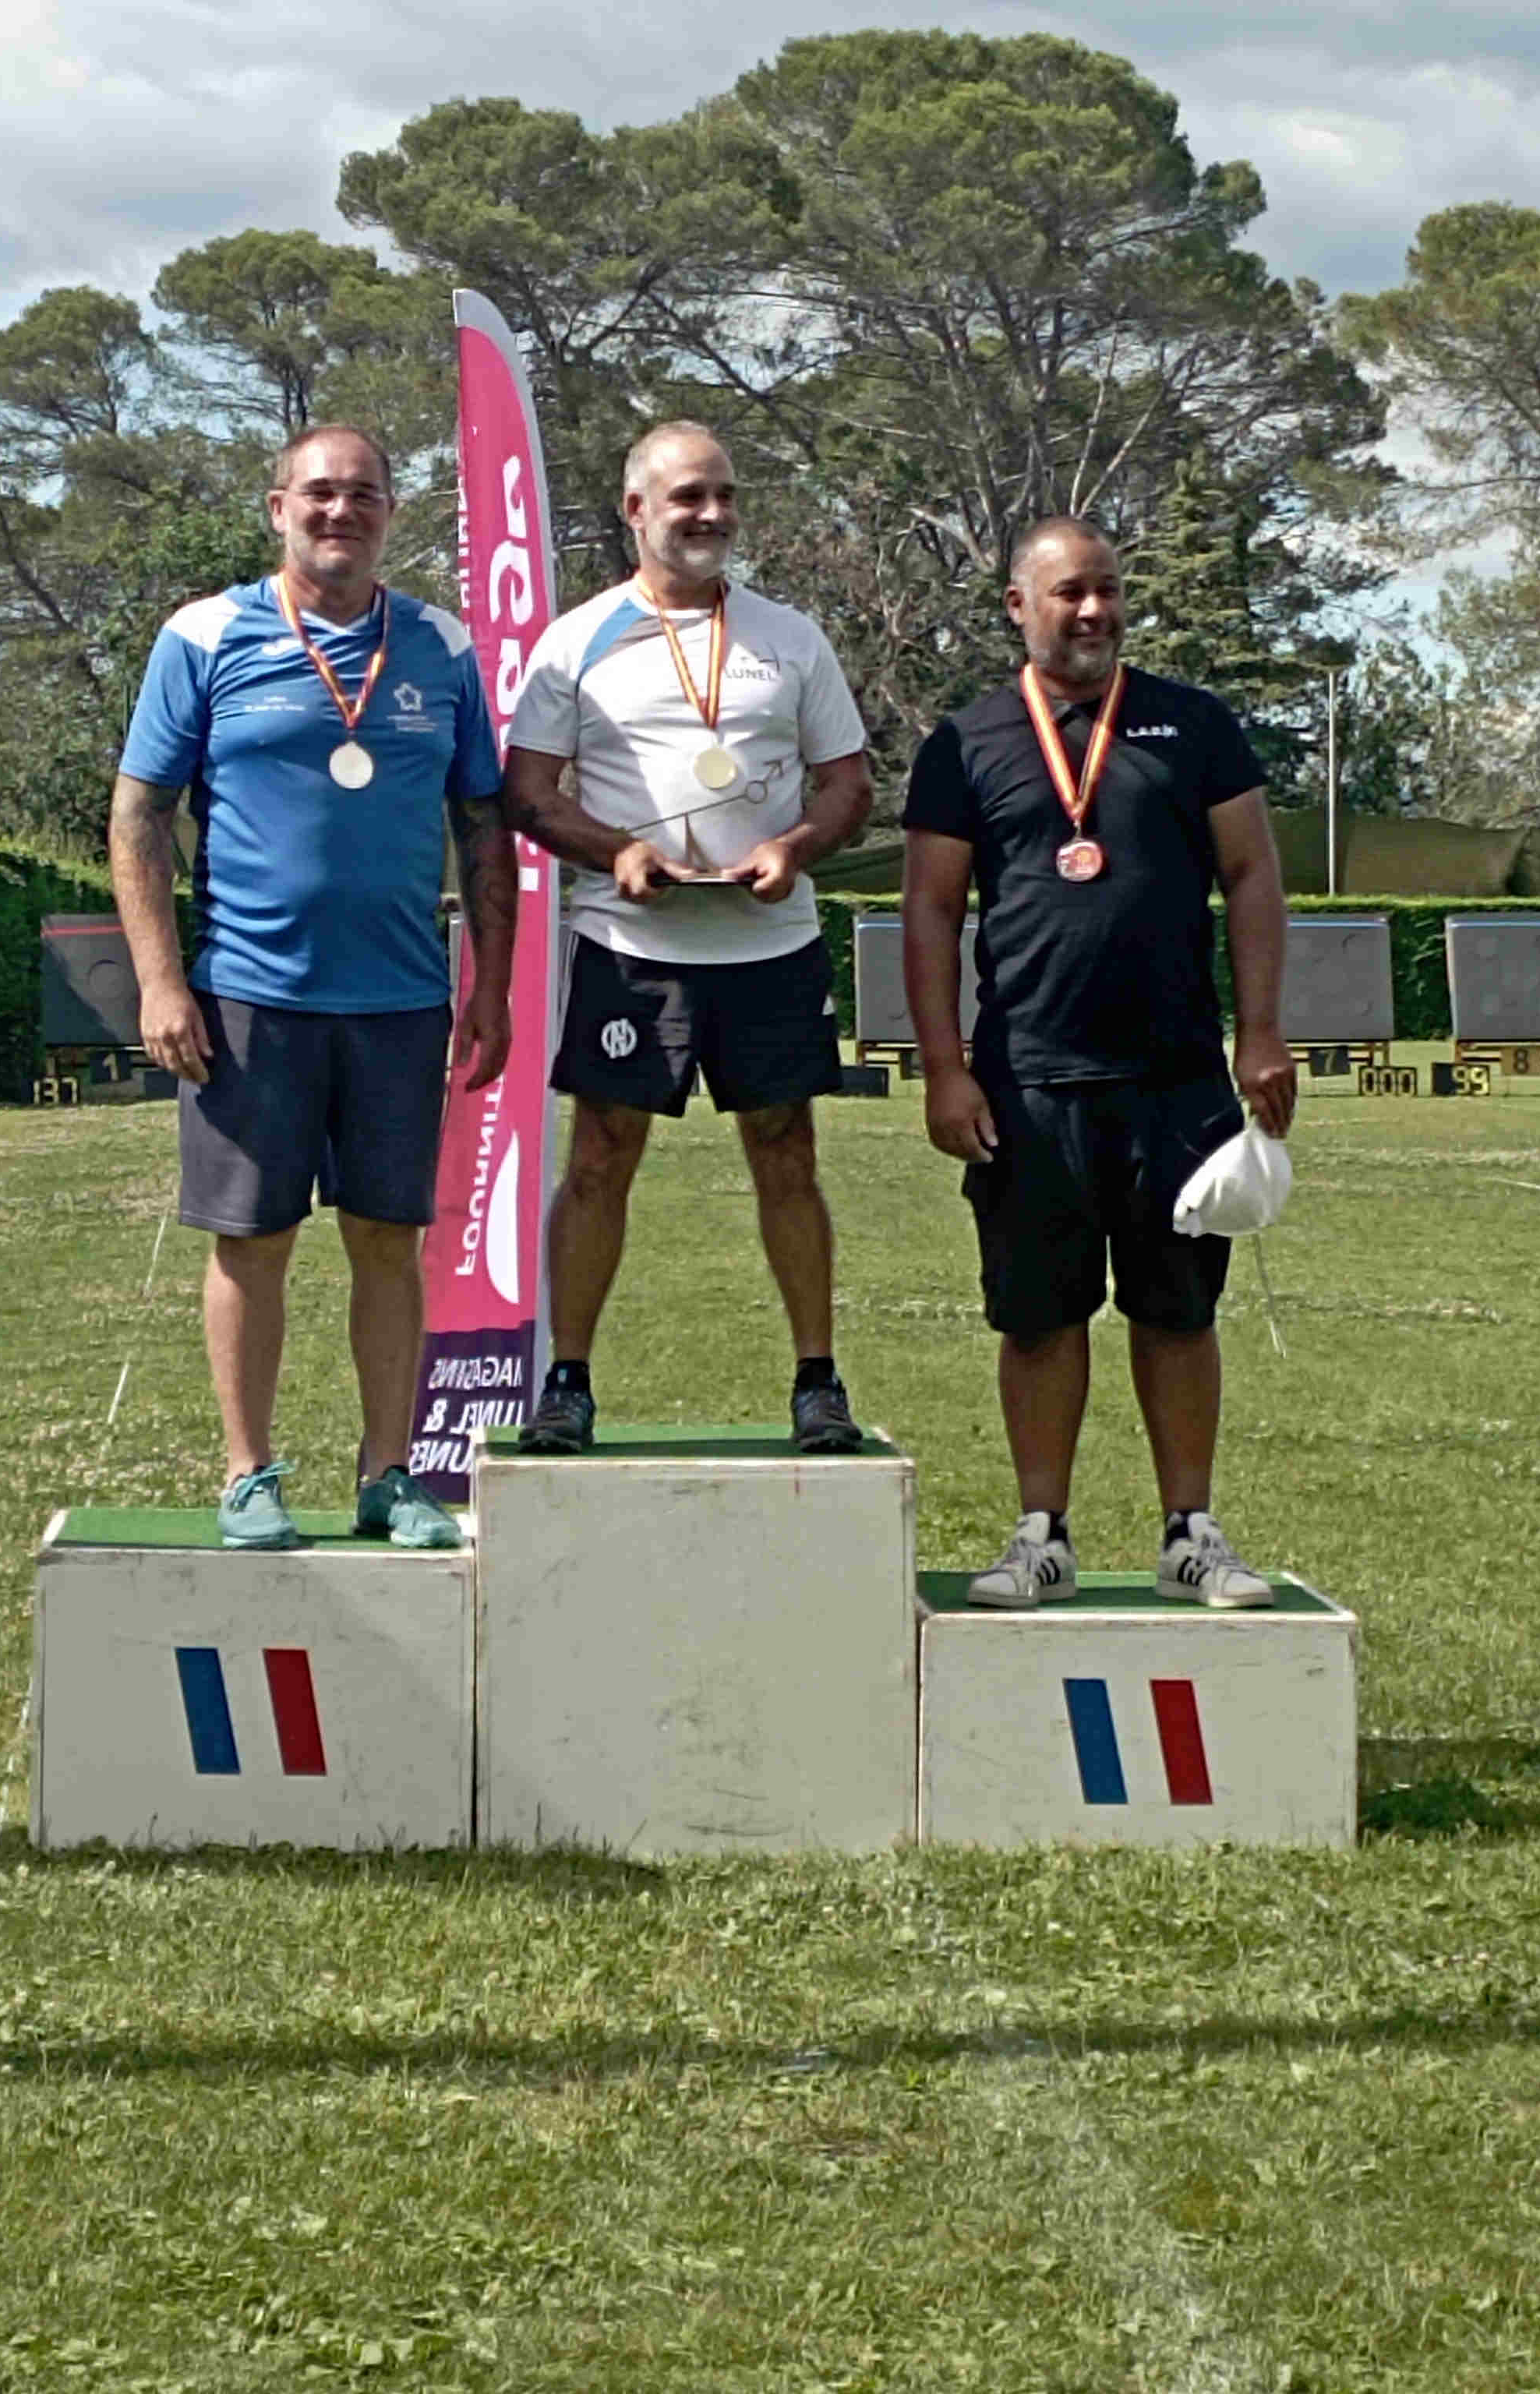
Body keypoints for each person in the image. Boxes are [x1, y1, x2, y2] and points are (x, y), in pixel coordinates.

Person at [110, 424, 516, 1552]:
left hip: (400, 1002)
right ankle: (249, 1475)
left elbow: (483, 824)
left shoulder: (440, 644)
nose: (343, 512)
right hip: (249, 999)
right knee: (253, 1242)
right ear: (279, 507)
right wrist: (159, 981)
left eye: (365, 495)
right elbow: (140, 812)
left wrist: (489, 986)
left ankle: (390, 1473)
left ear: (392, 513)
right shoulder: (203, 635)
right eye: (321, 493)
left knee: (390, 1241)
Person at [899, 516, 1296, 1608]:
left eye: (1108, 589)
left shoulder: (1195, 725)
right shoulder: (966, 743)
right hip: (1027, 1082)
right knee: (1039, 1318)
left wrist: (1261, 1032)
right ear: (1018, 607)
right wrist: (944, 1068)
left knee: (1179, 1313)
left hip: (1177, 1078)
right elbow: (930, 911)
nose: (1094, 610)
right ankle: (1043, 1535)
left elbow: (1252, 875)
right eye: (1070, 591)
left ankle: (1190, 1534)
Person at [500, 421, 876, 1453]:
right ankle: (568, 1382)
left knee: (787, 1152)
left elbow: (848, 784)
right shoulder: (577, 641)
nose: (711, 514)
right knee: (600, 1157)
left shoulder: (790, 637)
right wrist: (613, 851)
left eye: (724, 495)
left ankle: (818, 1382)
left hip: (770, 943)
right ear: (636, 511)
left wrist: (794, 847)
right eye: (687, 498)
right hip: (632, 942)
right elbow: (528, 792)